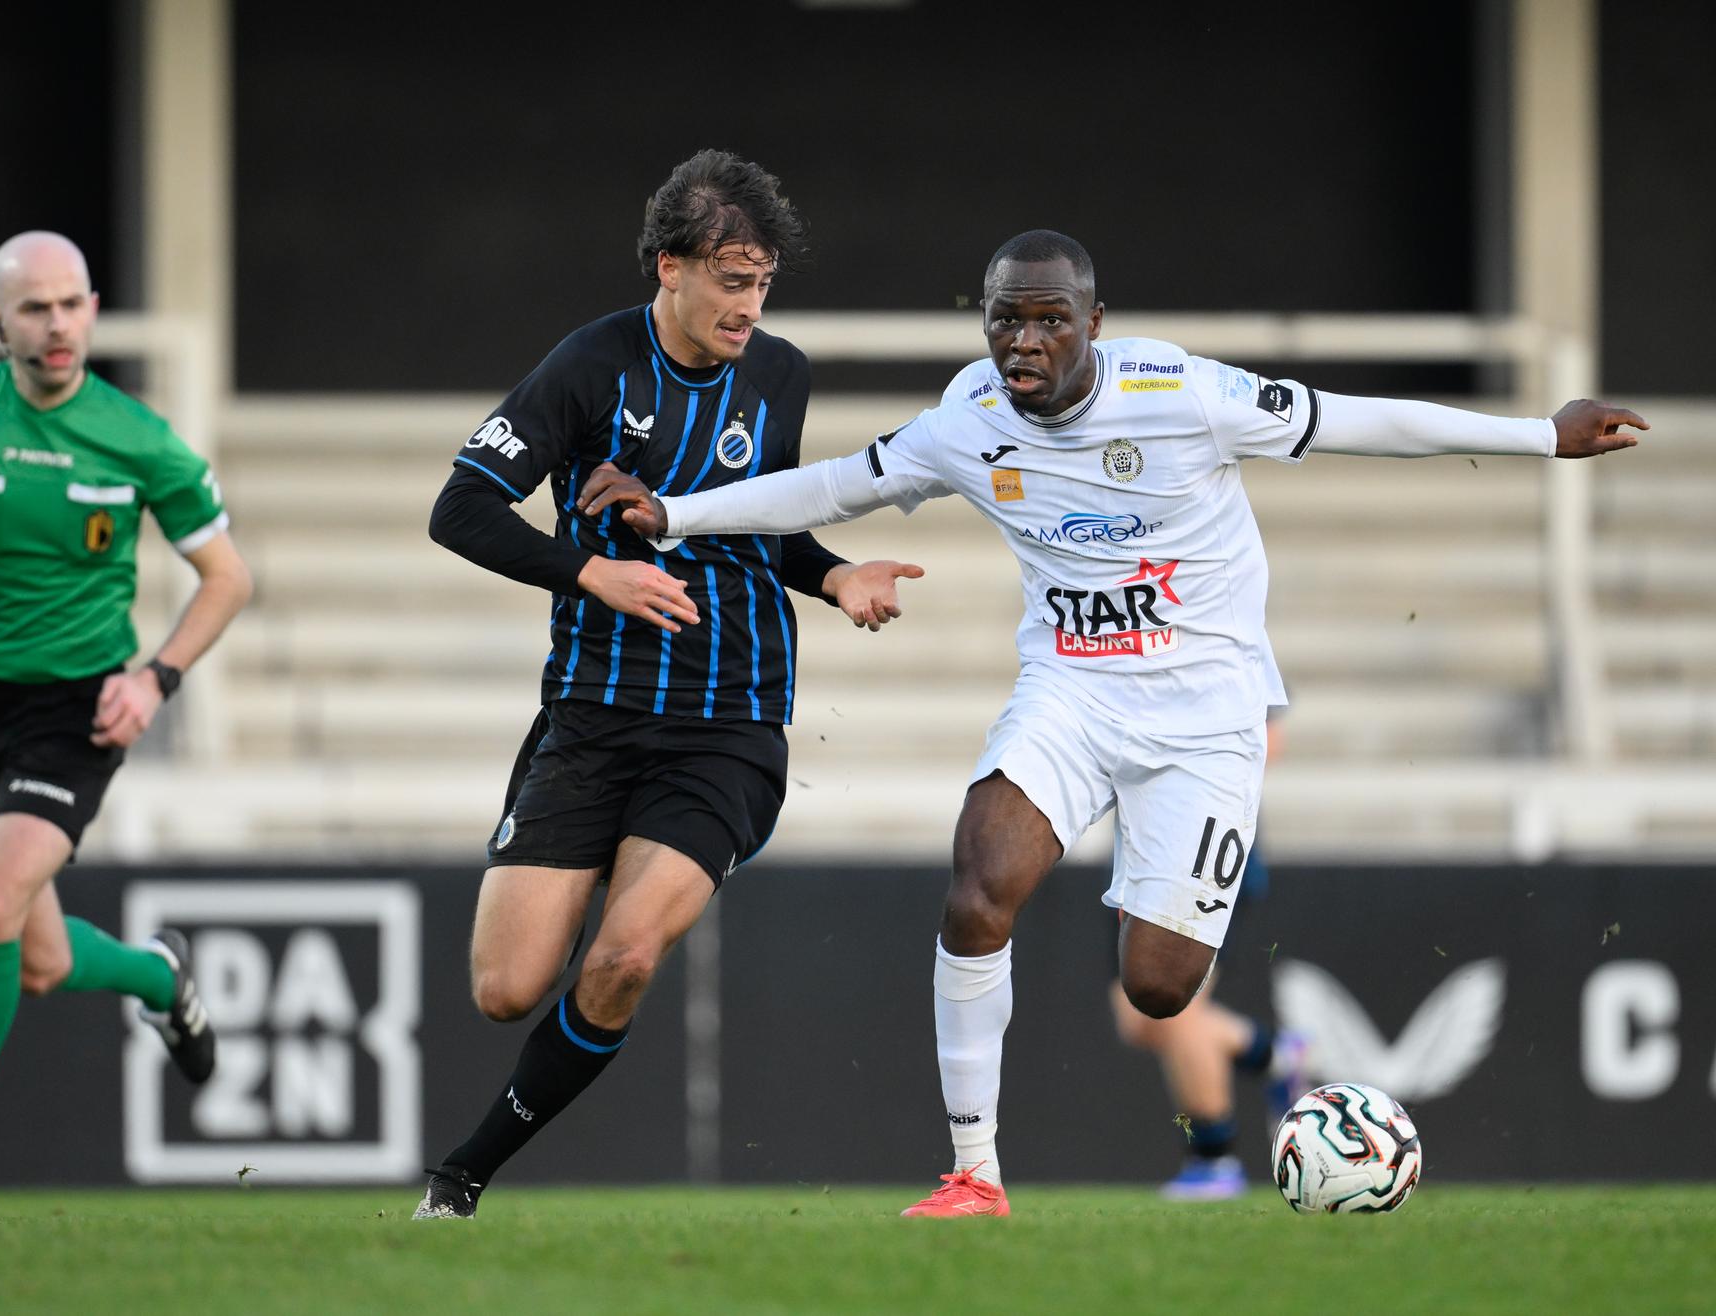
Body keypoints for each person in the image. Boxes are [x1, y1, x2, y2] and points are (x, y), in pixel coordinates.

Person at [575, 228, 1644, 1217]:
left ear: (1096, 321)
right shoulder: (968, 419)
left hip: (1207, 707)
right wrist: (675, 513)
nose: (1023, 340)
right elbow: (837, 484)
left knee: (1159, 987)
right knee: (978, 886)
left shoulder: (1184, 391)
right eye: (1005, 318)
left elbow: (1354, 421)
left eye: (1048, 319)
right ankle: (974, 1170)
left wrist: (1539, 436)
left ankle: (1275, 1061)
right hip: (1072, 693)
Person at [413, 149, 921, 1220]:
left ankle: (463, 1173)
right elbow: (458, 509)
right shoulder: (589, 367)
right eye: (732, 279)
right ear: (669, 267)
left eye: (764, 281)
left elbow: (764, 523)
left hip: (729, 723)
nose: (751, 304)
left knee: (627, 954)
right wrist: (590, 568)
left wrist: (834, 574)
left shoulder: (778, 373)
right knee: (505, 987)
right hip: (592, 715)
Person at [0, 231, 254, 1218]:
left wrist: (155, 679)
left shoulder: (140, 436)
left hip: (77, 711)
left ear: (93, 309)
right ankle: (158, 977)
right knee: (35, 958)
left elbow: (227, 577)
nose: (58, 323)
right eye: (35, 308)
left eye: (72, 304)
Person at [1108, 710, 1306, 1201]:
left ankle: (1215, 1158)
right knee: (1140, 1019)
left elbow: (1268, 740)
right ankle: (1275, 1053)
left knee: (1178, 1008)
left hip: (1203, 848)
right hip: (1142, 852)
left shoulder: (1223, 641)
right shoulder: (1129, 643)